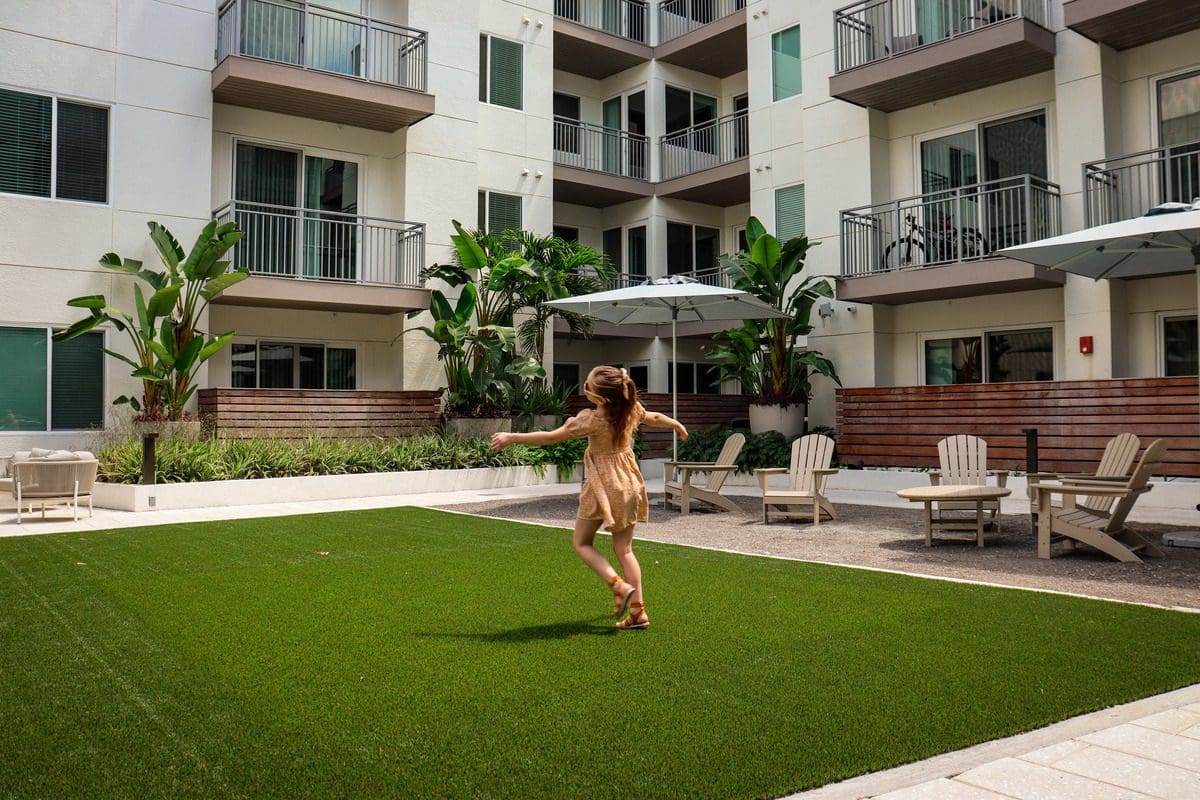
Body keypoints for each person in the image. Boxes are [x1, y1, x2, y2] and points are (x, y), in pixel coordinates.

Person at [491, 365, 688, 629]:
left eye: (587, 387)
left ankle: (618, 585)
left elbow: (551, 438)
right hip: (630, 484)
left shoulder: (591, 420)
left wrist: (512, 436)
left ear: (601, 399)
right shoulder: (630, 411)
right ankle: (638, 612)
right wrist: (675, 424)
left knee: (582, 543)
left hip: (603, 486)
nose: (585, 389)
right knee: (625, 550)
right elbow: (653, 417)